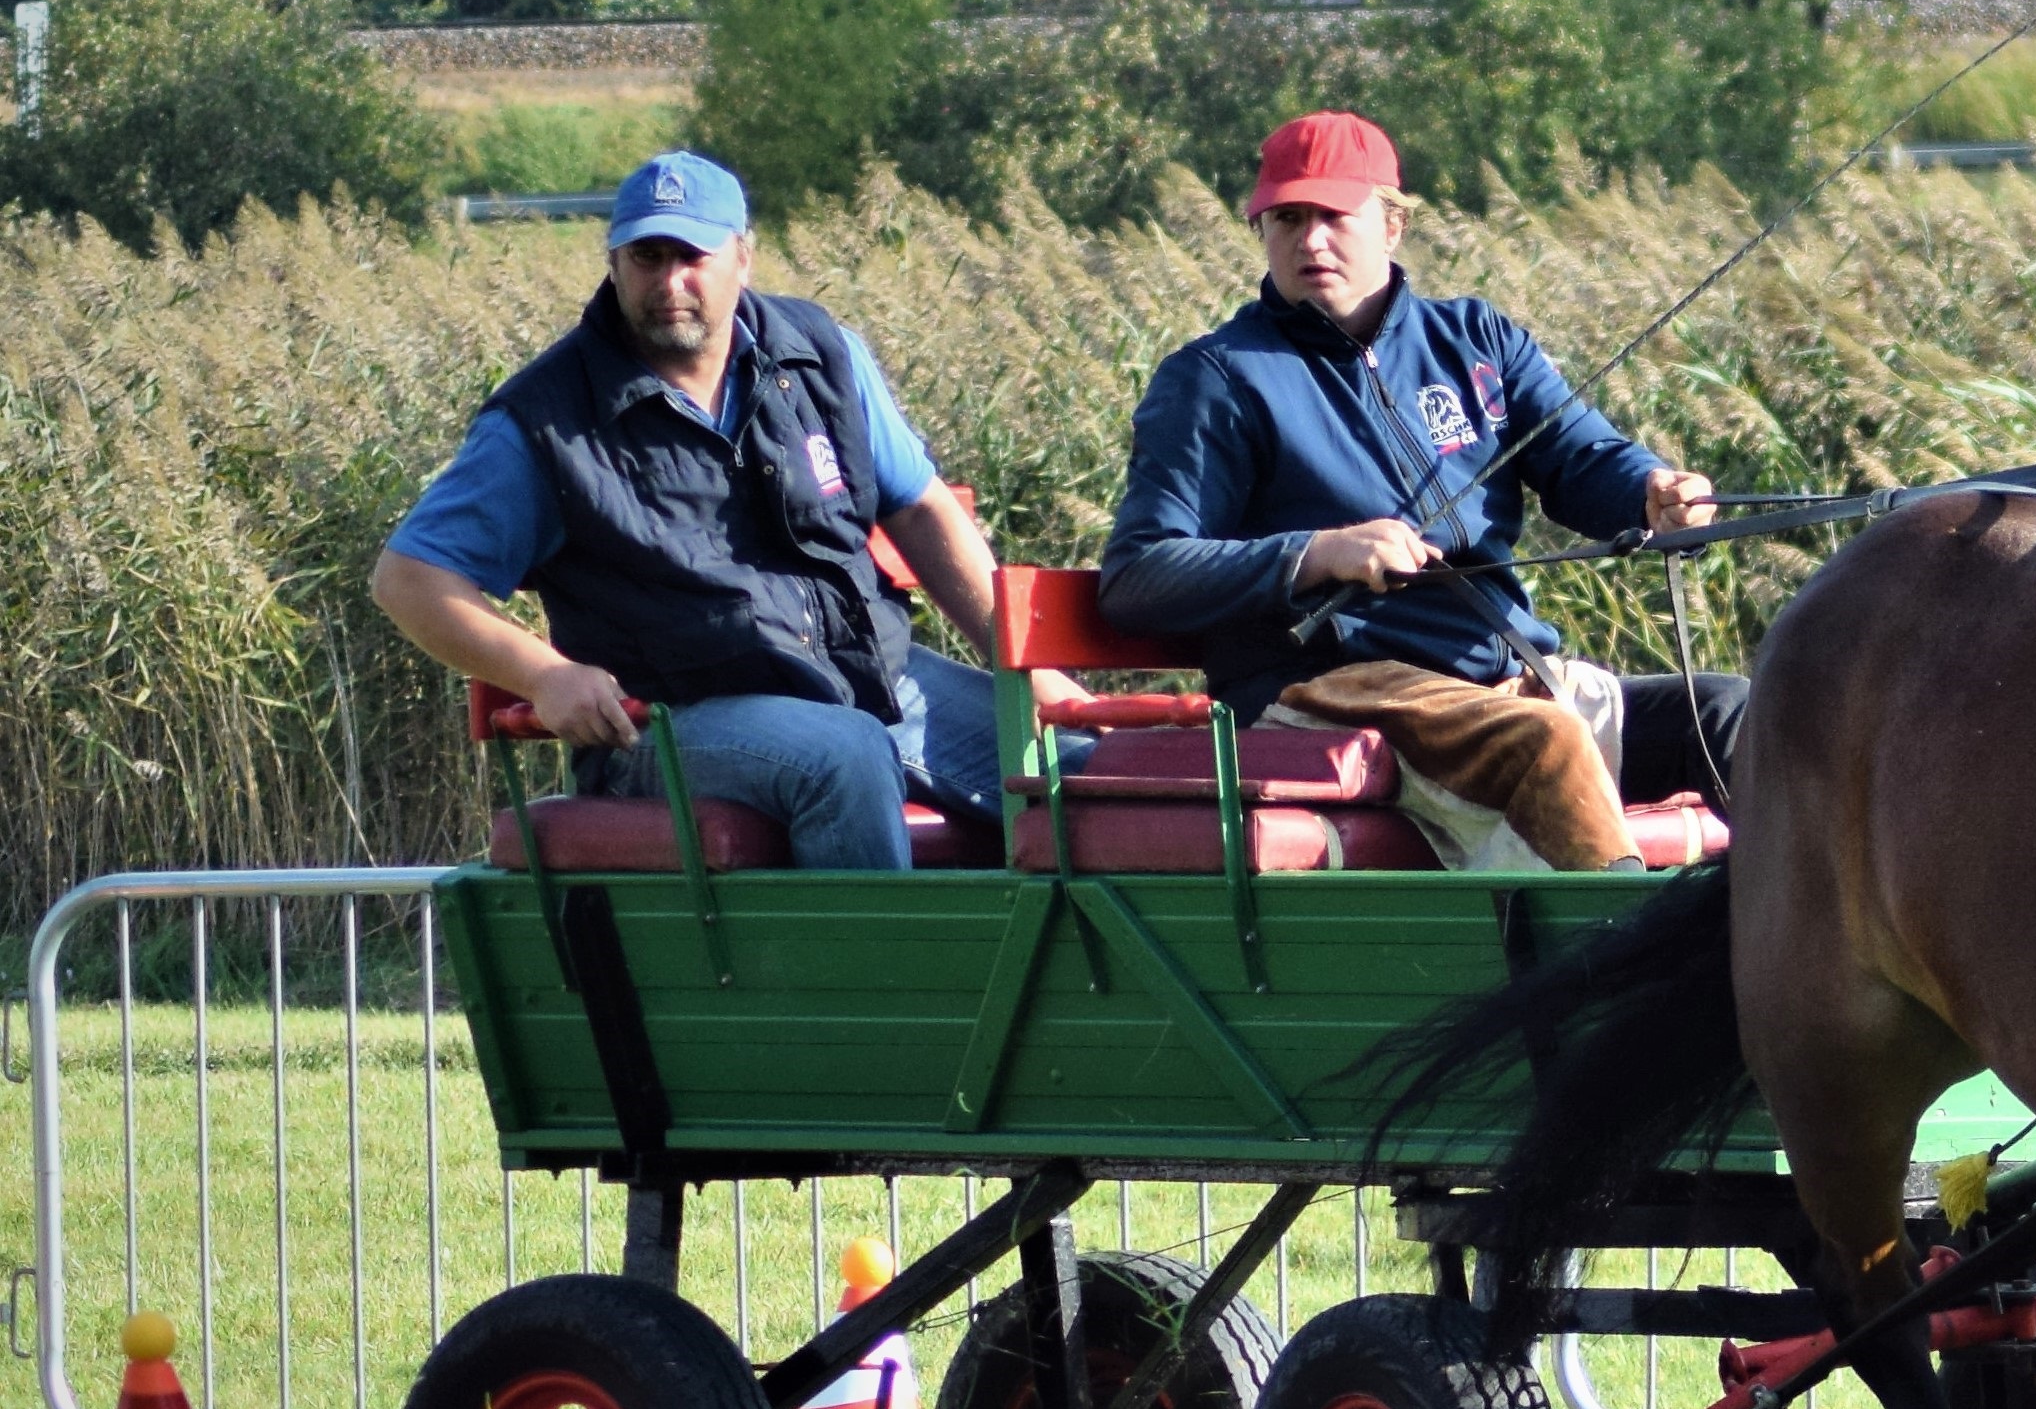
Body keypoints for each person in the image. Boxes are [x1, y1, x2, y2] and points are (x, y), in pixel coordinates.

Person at [371, 151, 1053, 870]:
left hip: (870, 678)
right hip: (674, 722)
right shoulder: (546, 420)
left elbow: (920, 509)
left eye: (692, 255)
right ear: (614, 263)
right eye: (647, 256)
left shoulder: (823, 358)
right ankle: (873, 983)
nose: (669, 282)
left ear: (742, 259)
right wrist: (544, 676)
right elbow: (409, 577)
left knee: (1076, 767)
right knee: (843, 756)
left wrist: (1024, 672)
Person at [1101, 110, 1734, 872]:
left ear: (1393, 225)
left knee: (1730, 710)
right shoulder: (1217, 377)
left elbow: (1581, 459)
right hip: (1329, 692)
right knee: (1544, 741)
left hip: (1507, 681)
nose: (1309, 240)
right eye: (1286, 218)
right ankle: (1614, 966)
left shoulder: (1477, 340)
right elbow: (1138, 576)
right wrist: (1316, 553)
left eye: (1333, 216)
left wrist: (1651, 492)